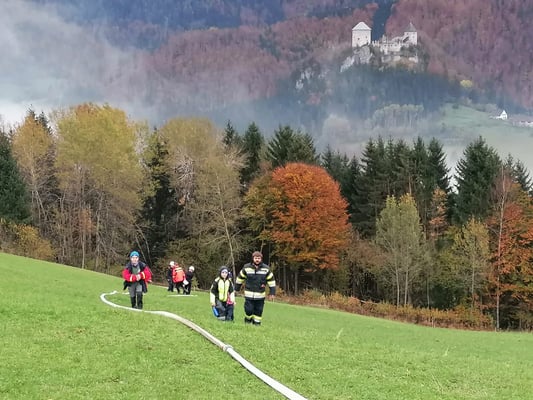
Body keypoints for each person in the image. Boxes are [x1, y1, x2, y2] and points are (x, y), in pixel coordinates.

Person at [234, 251, 275, 325]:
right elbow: (239, 279)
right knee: (248, 310)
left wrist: (272, 293)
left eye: (259, 258)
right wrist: (236, 289)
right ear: (253, 258)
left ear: (261, 259)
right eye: (256, 258)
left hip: (260, 295)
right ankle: (248, 320)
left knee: (259, 311)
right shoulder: (246, 268)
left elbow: (271, 281)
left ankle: (256, 325)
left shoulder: (266, 269)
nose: (257, 260)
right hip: (249, 294)